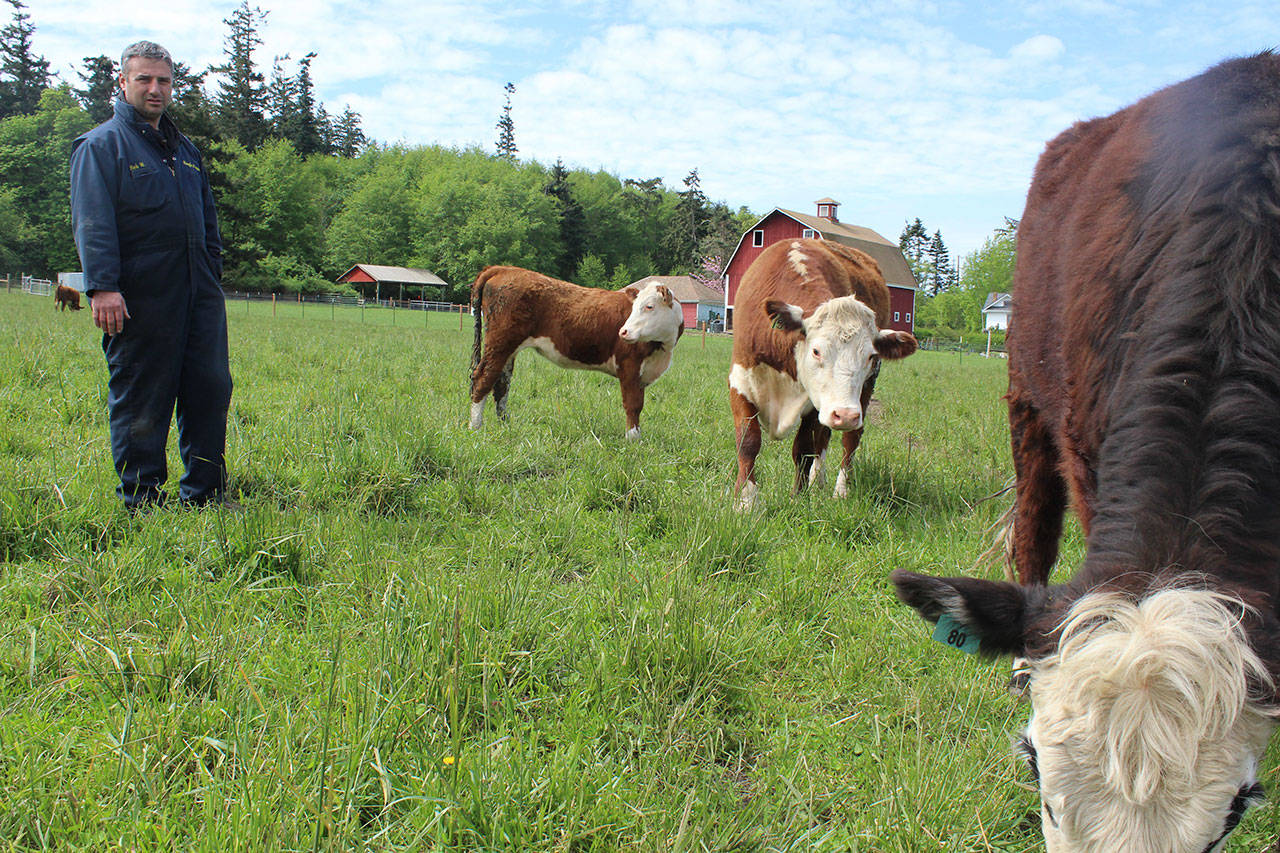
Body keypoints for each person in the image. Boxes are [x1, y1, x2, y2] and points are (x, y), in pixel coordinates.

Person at [70, 41, 233, 510]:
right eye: (143, 79)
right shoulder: (102, 146)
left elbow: (208, 223)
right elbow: (92, 222)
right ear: (122, 83)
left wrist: (212, 274)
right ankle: (141, 500)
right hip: (140, 296)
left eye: (163, 80)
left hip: (199, 294)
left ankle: (205, 494)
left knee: (210, 388)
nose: (154, 89)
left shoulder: (186, 152)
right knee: (143, 394)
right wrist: (102, 285)